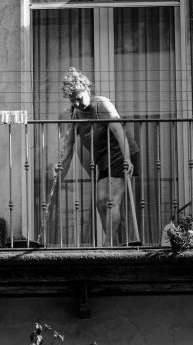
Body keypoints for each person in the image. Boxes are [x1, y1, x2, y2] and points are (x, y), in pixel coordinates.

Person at [53, 66, 140, 246]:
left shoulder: (102, 104)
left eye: (78, 98)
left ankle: (108, 244)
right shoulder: (75, 114)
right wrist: (59, 169)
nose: (76, 103)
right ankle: (114, 242)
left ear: (87, 89)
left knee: (111, 201)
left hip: (120, 151)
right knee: (101, 201)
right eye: (72, 100)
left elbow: (119, 131)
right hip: (103, 157)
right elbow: (68, 148)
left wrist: (127, 159)